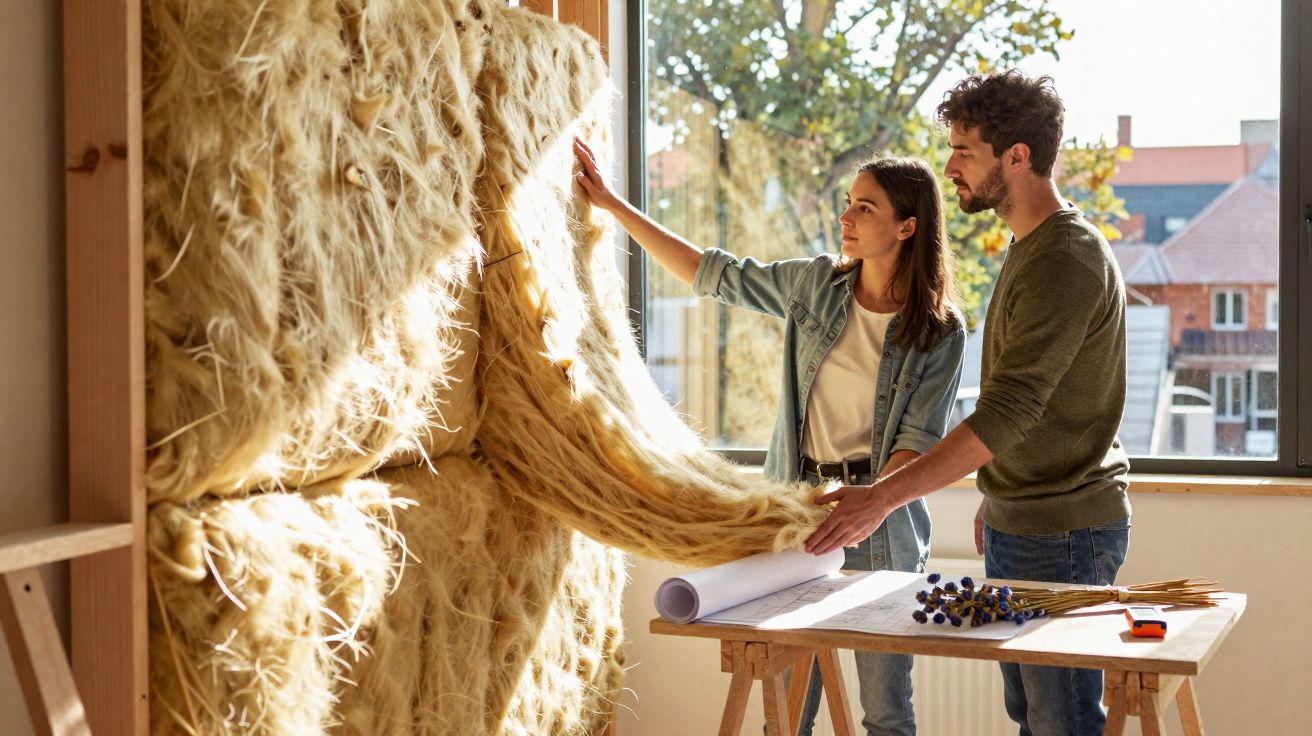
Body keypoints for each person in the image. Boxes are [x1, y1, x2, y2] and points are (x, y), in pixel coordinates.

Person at [574, 137, 965, 736]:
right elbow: (714, 275)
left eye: (866, 207)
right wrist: (614, 207)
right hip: (797, 508)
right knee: (787, 705)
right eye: (849, 202)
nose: (846, 217)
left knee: (886, 710)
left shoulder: (940, 329)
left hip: (881, 522)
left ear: (908, 226)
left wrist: (871, 505)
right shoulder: (816, 285)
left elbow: (918, 437)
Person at [804, 70, 1132, 736]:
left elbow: (1010, 409)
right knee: (1033, 715)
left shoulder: (1065, 258)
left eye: (965, 151)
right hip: (1025, 520)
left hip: (1063, 532)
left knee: (1061, 722)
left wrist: (881, 497)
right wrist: (998, 488)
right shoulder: (1029, 250)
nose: (949, 166)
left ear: (1018, 156)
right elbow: (1034, 409)